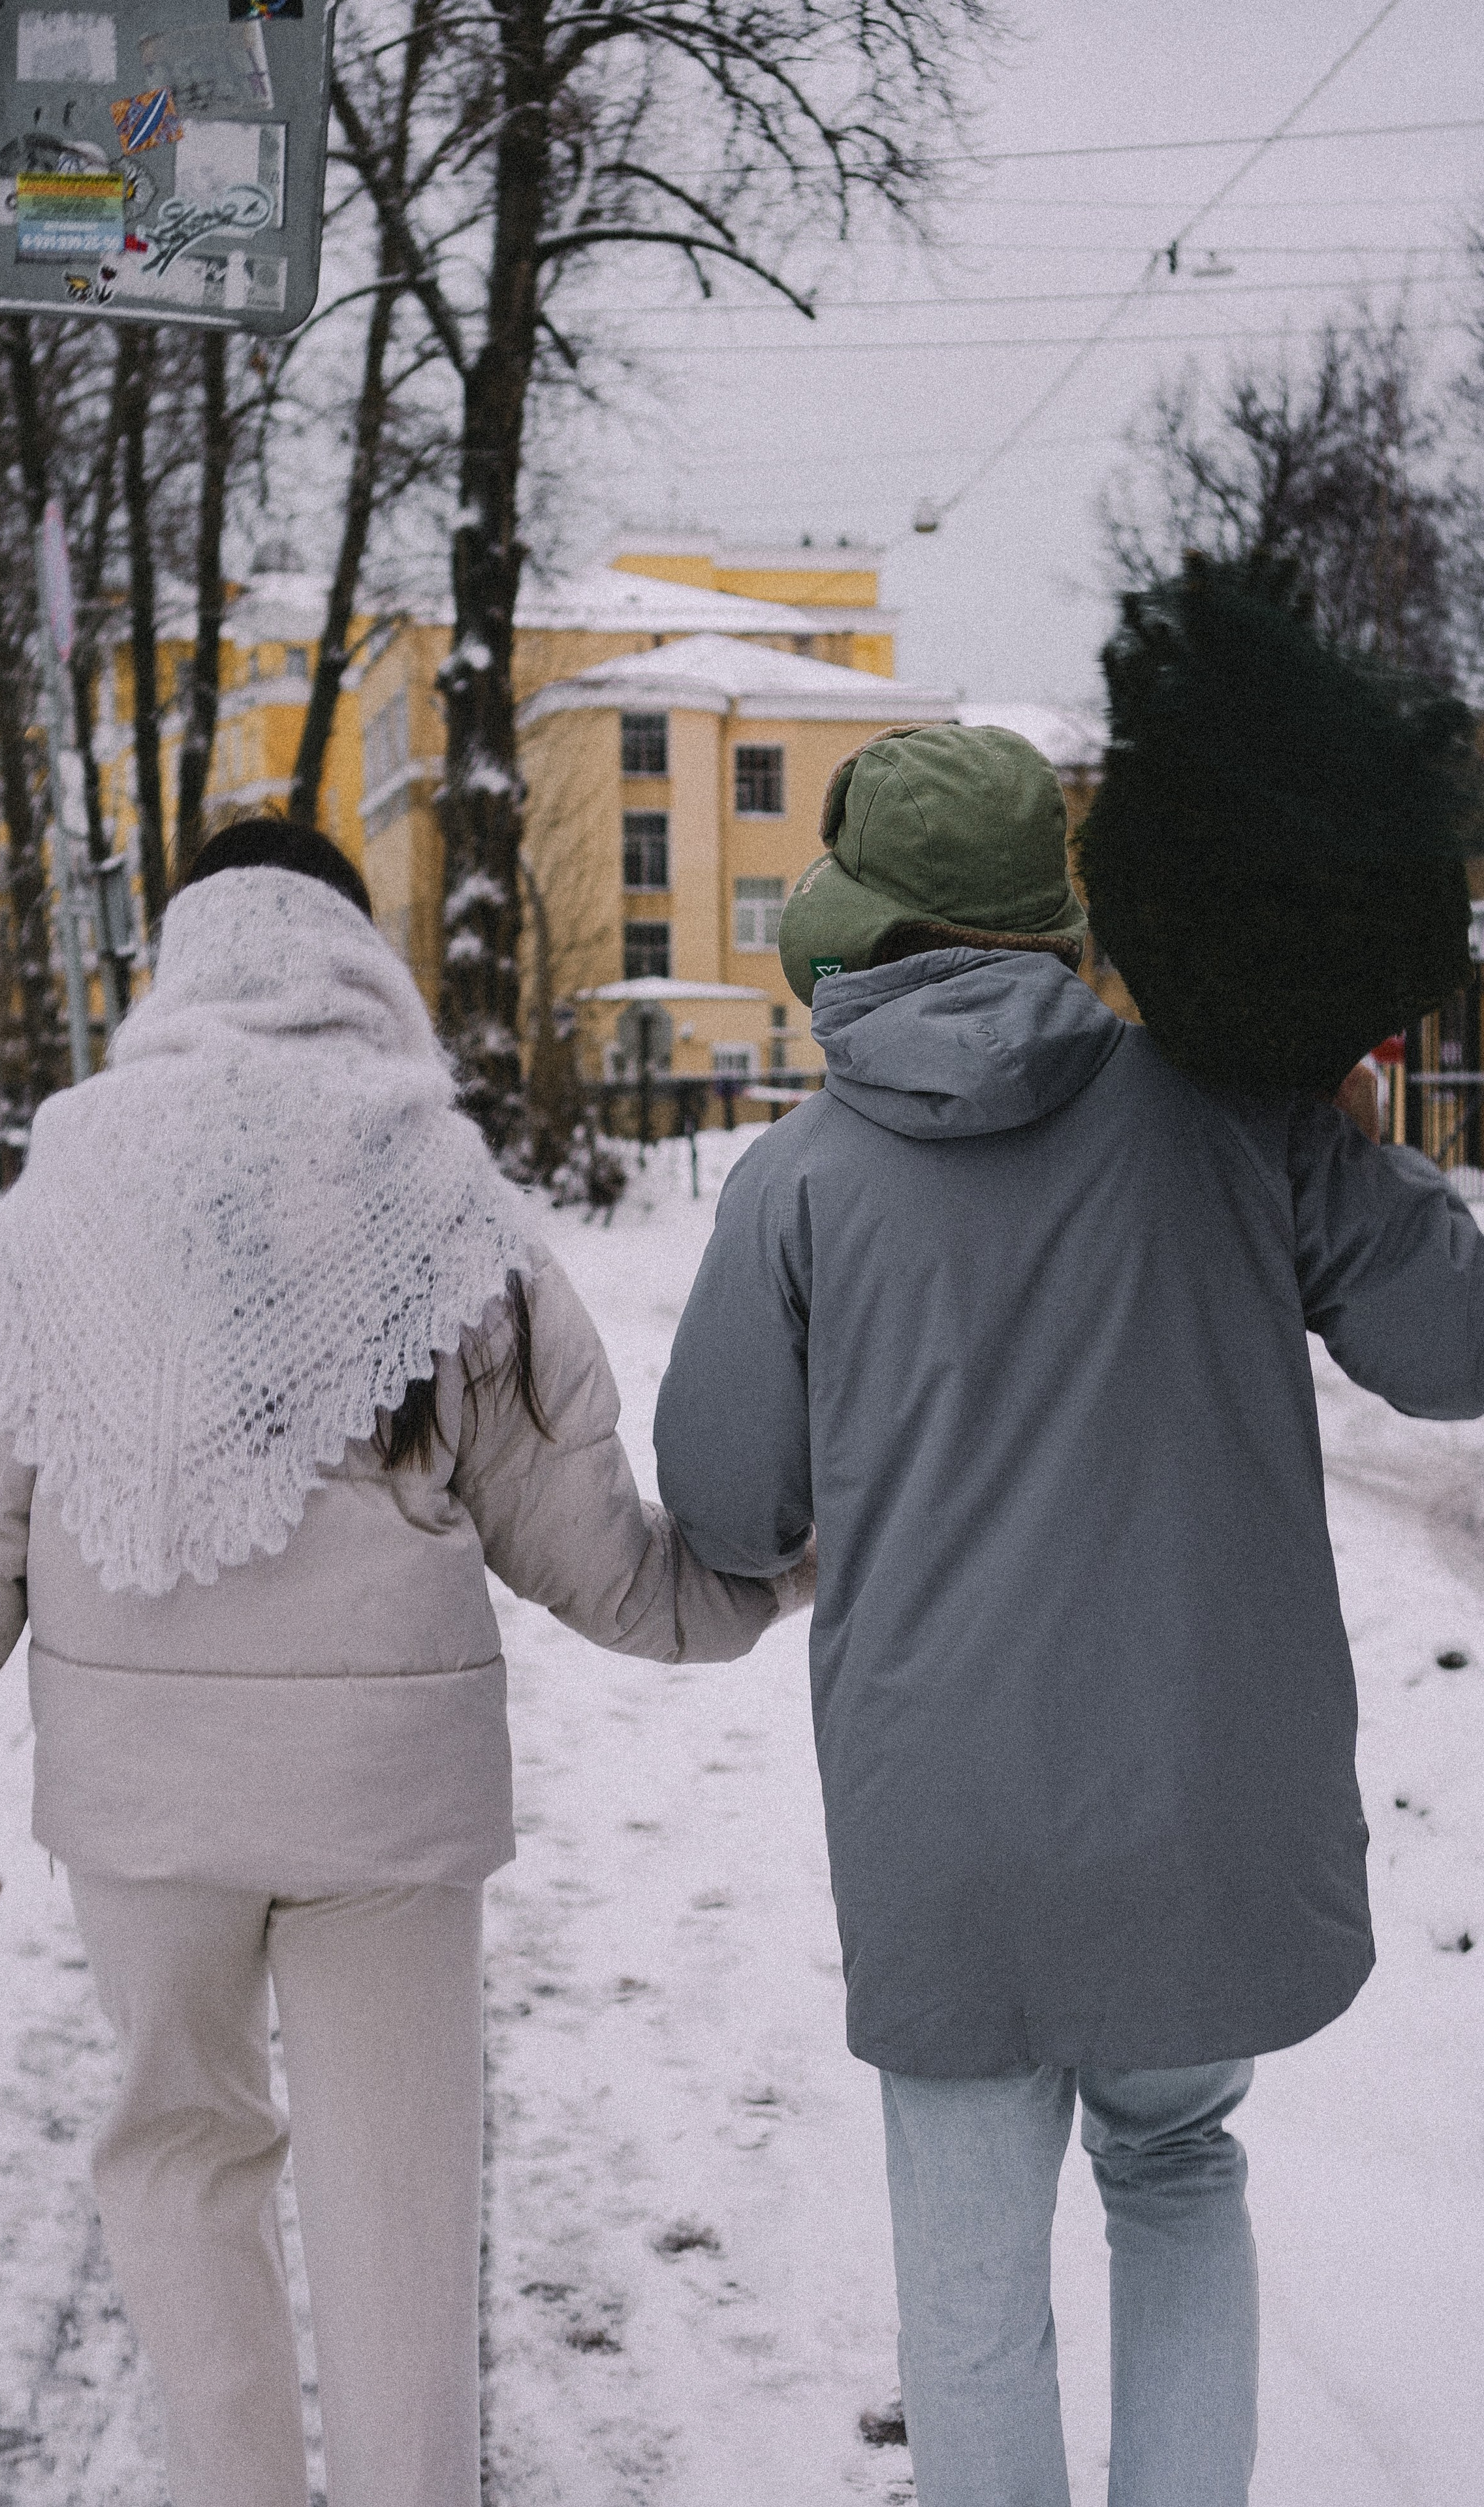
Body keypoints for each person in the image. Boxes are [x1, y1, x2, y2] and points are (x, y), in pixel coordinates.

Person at [0, 820, 810, 2507]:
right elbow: (592, 1547)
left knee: (181, 2170)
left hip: (145, 1817)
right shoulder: (441, 1198)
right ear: (364, 966)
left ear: (183, 959)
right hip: (388, 1820)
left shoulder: (65, 1200)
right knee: (401, 2209)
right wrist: (768, 1581)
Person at [652, 722, 1484, 2507]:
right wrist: (1354, 1129)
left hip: (943, 1828)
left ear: (861, 928)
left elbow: (728, 1513)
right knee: (1179, 2176)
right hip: (1201, 1803)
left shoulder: (795, 1186)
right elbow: (1456, 1350)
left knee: (970, 2290)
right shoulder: (1238, 1114)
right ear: (1053, 916)